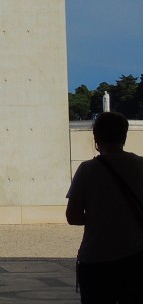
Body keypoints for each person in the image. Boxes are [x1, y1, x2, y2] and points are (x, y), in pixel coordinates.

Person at [65, 111, 143, 302]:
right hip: (136, 259)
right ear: (124, 135)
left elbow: (72, 217)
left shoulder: (87, 170)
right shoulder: (141, 166)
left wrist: (99, 216)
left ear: (96, 137)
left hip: (96, 259)